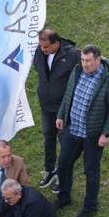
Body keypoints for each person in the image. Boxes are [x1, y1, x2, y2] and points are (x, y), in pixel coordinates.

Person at [54, 45, 109, 217]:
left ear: (98, 60)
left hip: (92, 134)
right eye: (83, 60)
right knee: (63, 165)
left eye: (88, 61)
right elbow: (68, 95)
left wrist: (106, 133)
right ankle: (64, 198)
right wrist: (62, 115)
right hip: (73, 129)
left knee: (91, 171)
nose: (84, 64)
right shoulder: (77, 71)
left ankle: (89, 207)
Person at [33, 29, 81, 193]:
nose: (42, 49)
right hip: (46, 105)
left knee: (64, 141)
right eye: (41, 46)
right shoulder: (39, 52)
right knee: (48, 137)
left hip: (64, 107)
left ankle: (63, 174)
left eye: (46, 47)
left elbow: (80, 77)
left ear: (56, 43)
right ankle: (50, 169)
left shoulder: (73, 54)